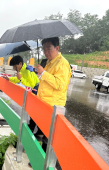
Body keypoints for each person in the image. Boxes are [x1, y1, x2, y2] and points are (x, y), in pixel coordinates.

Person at [28, 37, 71, 168]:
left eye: (49, 49)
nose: (46, 52)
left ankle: (47, 165)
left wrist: (44, 73)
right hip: (45, 104)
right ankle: (42, 161)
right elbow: (45, 82)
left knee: (50, 138)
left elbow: (59, 85)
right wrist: (40, 73)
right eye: (44, 49)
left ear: (57, 48)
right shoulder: (50, 62)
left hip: (54, 106)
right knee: (44, 134)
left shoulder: (62, 64)